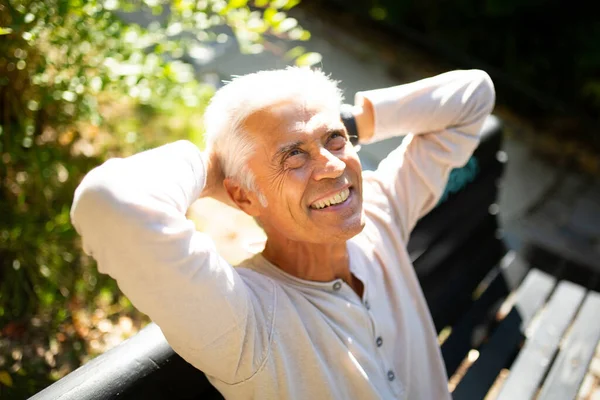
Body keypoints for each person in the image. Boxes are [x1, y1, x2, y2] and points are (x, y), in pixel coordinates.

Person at [71, 67, 495, 399]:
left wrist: (353, 119)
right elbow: (108, 201)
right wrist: (212, 169)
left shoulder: (381, 216)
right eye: (293, 156)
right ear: (243, 196)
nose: (333, 165)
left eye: (335, 140)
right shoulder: (246, 324)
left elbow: (473, 93)